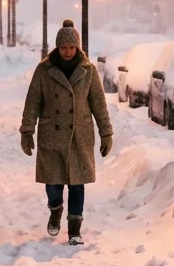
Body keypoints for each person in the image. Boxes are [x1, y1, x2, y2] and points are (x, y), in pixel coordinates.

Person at [19, 20, 113, 245]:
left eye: (72, 47)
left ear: (77, 48)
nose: (68, 52)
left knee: (77, 184)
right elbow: (33, 101)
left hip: (79, 135)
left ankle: (74, 230)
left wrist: (106, 132)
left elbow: (98, 103)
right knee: (53, 184)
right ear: (58, 48)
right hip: (52, 134)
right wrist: (27, 130)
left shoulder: (88, 71)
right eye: (64, 48)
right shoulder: (44, 70)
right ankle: (55, 209)